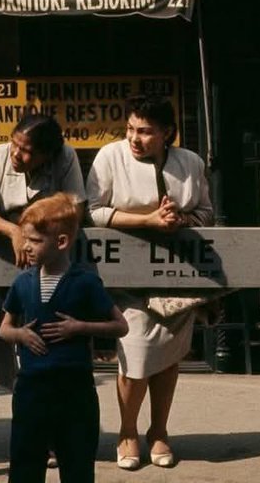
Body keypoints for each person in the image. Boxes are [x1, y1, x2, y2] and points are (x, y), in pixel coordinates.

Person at [86, 95, 213, 471]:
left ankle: (159, 431)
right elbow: (93, 212)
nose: (135, 138)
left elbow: (206, 212)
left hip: (177, 276)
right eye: (130, 129)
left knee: (170, 355)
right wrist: (147, 222)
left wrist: (182, 219)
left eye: (145, 131)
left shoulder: (190, 162)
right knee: (137, 352)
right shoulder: (110, 157)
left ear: (167, 133)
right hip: (127, 277)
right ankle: (127, 432)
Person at [0, 192, 128, 483]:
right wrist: (20, 334)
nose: (27, 248)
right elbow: (4, 328)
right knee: (25, 461)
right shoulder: (22, 282)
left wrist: (80, 327)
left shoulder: (85, 282)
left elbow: (120, 326)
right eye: (25, 240)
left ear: (61, 242)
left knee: (77, 462)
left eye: (34, 241)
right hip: (31, 387)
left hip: (75, 388)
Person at [0, 114, 86, 388]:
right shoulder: (0, 155)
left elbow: (75, 208)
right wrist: (13, 231)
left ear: (46, 155)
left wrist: (40, 236)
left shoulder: (65, 157)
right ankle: (14, 386)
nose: (16, 154)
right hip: (8, 252)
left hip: (54, 255)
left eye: (27, 152)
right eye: (15, 144)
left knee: (53, 330)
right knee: (9, 323)